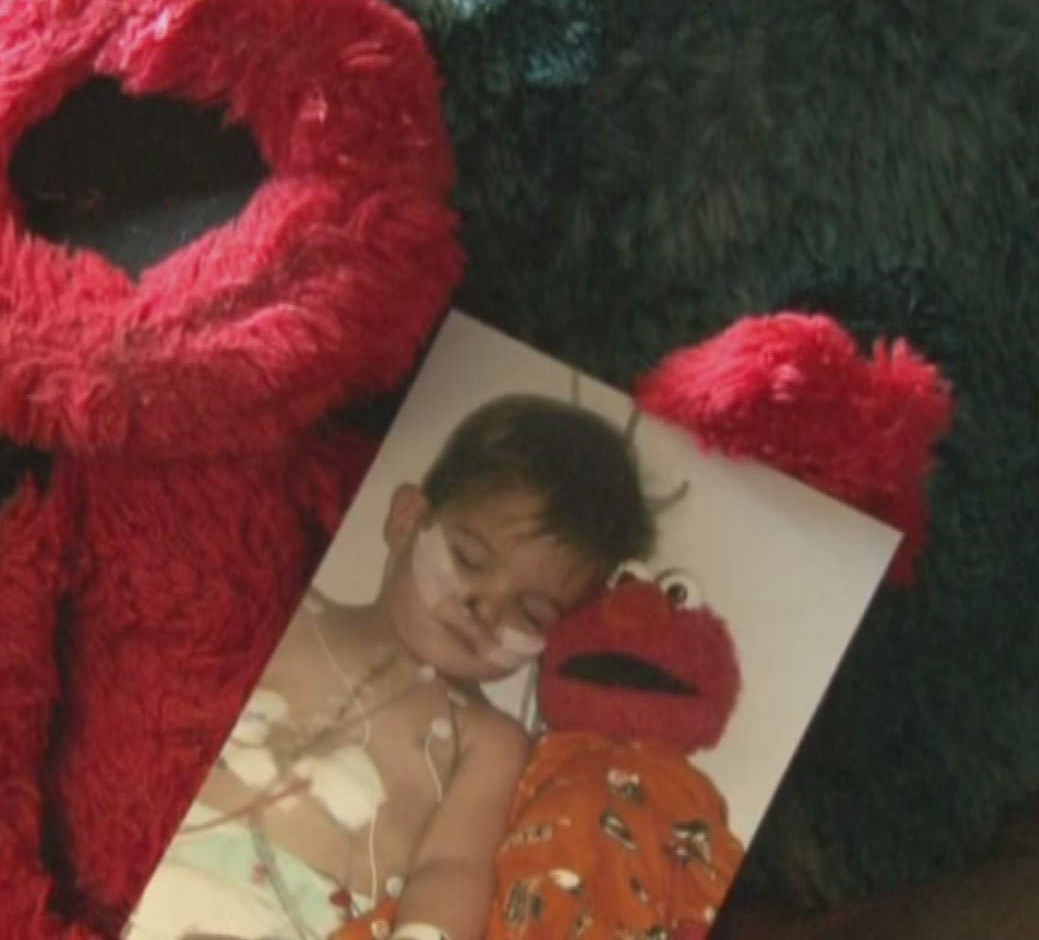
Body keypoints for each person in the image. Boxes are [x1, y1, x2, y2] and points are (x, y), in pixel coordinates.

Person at [127, 395, 656, 940]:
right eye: (471, 559)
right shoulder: (296, 616)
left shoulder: (489, 740)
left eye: (531, 610)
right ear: (408, 520)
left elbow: (452, 869)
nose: (486, 608)